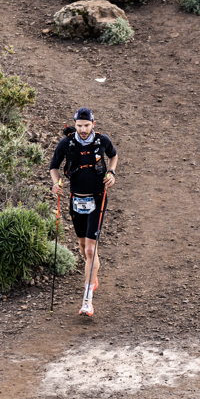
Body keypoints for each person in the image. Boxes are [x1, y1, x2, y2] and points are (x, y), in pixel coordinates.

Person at [50, 107, 117, 317]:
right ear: (75, 124)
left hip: (98, 199)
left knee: (89, 250)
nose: (83, 129)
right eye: (79, 125)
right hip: (76, 200)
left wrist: (112, 172)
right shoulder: (66, 143)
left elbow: (113, 156)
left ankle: (87, 301)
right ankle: (93, 272)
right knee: (82, 246)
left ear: (93, 125)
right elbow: (54, 167)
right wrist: (55, 184)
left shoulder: (102, 140)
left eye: (87, 125)